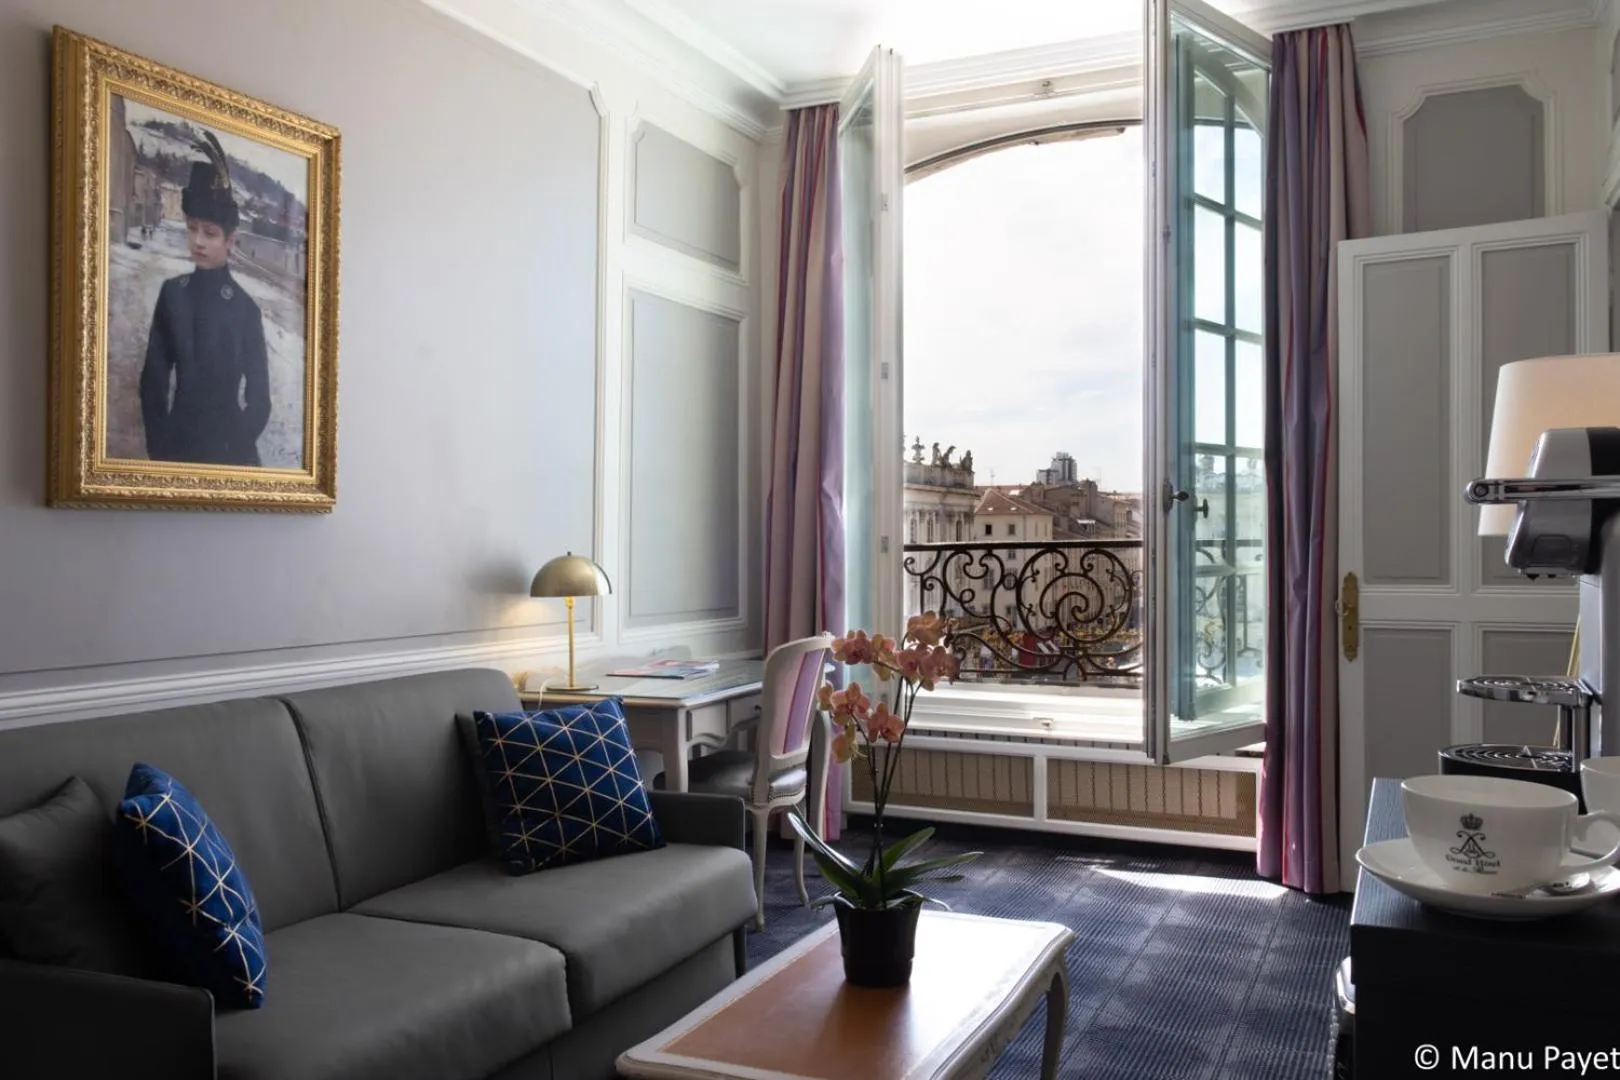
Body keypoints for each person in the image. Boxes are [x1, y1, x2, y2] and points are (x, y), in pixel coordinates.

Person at [139, 132, 270, 466]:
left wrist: (232, 445)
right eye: (192, 228)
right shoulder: (173, 294)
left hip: (231, 455)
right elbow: (153, 383)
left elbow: (260, 400)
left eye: (210, 233)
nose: (198, 241)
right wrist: (160, 447)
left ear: (230, 241)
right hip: (175, 448)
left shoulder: (245, 310)